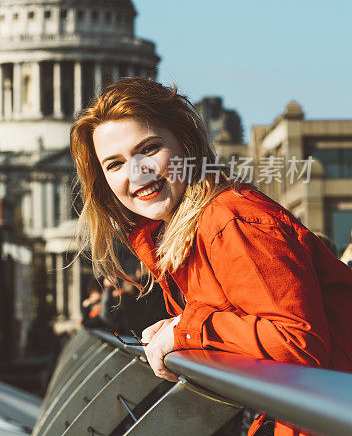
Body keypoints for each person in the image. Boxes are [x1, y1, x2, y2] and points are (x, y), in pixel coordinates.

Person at [69, 78, 352, 436]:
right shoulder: (183, 235)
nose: (136, 173)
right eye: (114, 164)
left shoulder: (230, 218)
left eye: (149, 149)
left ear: (187, 144)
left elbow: (298, 342)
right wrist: (182, 327)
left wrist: (187, 330)